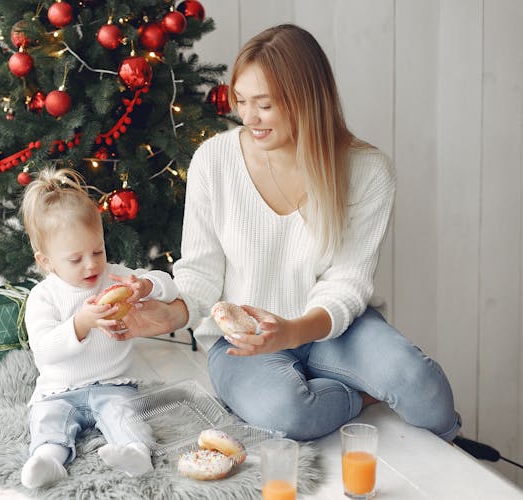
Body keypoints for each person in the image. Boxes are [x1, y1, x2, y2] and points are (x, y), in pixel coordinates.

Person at [102, 24, 461, 442]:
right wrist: (170, 315)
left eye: (265, 104)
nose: (248, 117)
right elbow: (200, 274)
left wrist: (292, 330)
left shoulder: (367, 170)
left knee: (423, 388)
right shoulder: (214, 161)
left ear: (306, 100)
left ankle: (463, 466)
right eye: (241, 100)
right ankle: (358, 396)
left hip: (333, 328)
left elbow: (347, 282)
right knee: (287, 413)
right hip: (242, 342)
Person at [19, 167, 178, 488]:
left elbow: (169, 286)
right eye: (76, 259)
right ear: (46, 261)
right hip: (60, 391)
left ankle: (135, 452)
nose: (92, 264)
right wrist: (81, 323)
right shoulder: (44, 297)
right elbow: (45, 350)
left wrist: (145, 286)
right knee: (47, 422)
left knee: (126, 415)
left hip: (113, 383)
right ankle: (48, 460)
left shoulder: (115, 276)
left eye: (97, 251)